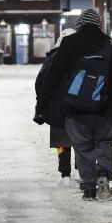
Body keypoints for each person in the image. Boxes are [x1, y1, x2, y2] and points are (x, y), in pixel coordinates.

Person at [34, 8, 112, 200]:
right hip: (107, 108)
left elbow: (52, 76)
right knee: (105, 142)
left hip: (76, 107)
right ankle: (104, 175)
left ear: (79, 25)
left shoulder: (69, 43)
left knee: (83, 146)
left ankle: (88, 187)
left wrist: (41, 105)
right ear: (99, 25)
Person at [35, 27, 77, 185]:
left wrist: (41, 104)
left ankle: (65, 175)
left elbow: (41, 83)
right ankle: (80, 170)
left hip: (57, 109)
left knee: (62, 142)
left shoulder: (54, 58)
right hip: (80, 107)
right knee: (81, 140)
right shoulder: (83, 57)